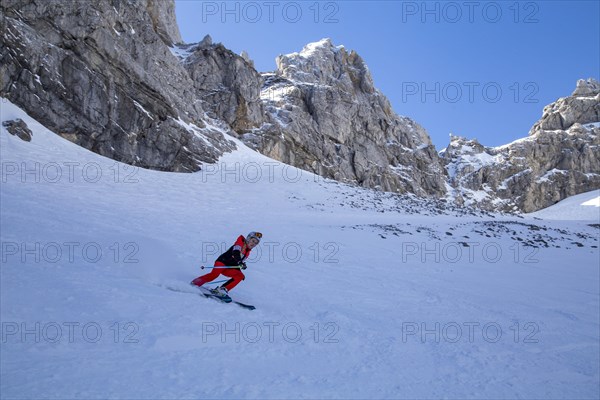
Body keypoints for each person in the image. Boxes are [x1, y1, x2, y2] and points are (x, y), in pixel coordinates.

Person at [191, 231, 262, 299]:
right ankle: (195, 282)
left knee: (240, 276)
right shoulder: (240, 242)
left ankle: (222, 289)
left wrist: (241, 266)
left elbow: (237, 264)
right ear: (248, 239)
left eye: (256, 243)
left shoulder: (247, 252)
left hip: (229, 268)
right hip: (222, 262)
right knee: (214, 275)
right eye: (253, 241)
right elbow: (236, 252)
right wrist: (240, 261)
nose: (254, 244)